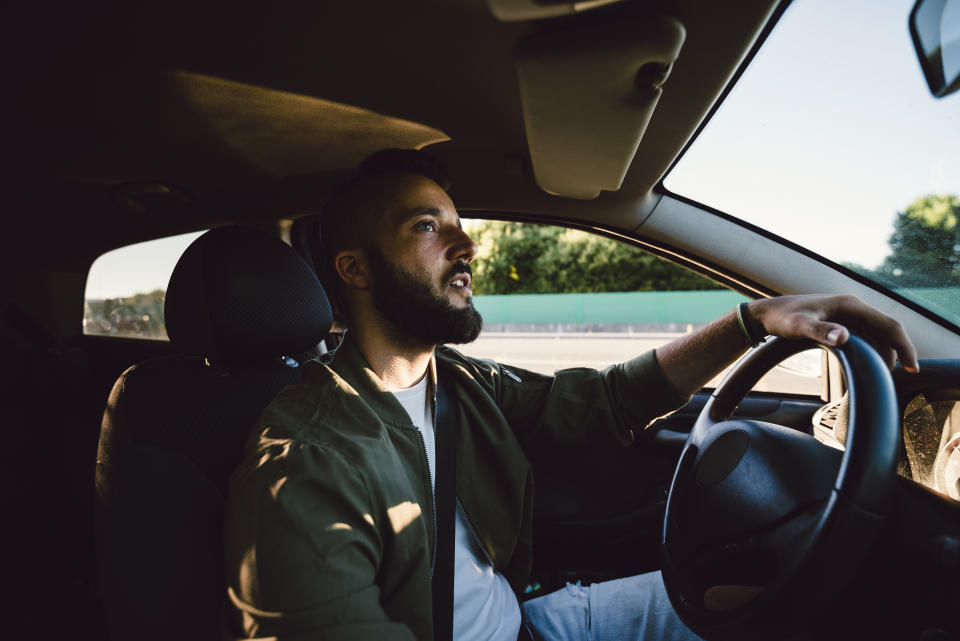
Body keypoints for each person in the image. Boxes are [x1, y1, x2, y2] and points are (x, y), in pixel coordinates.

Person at [223, 149, 918, 641]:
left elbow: (610, 402)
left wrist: (754, 320)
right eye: (427, 227)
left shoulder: (459, 383)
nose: (467, 244)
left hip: (527, 623)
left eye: (459, 224)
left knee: (762, 604)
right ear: (356, 269)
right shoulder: (306, 462)